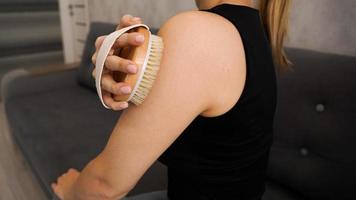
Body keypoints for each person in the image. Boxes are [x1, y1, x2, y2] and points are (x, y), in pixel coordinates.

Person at [51, 0, 291, 199]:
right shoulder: (252, 28)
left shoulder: (200, 32)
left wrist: (70, 189)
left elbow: (104, 186)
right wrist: (124, 73)